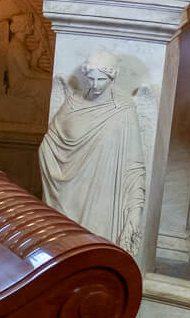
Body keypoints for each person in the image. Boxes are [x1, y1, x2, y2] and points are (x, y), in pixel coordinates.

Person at [39, 49, 148, 254]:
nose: (95, 85)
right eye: (90, 79)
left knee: (94, 250)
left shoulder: (124, 111)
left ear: (112, 76)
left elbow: (134, 165)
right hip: (68, 195)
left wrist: (135, 211)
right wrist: (55, 161)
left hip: (104, 198)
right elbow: (50, 143)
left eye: (101, 80)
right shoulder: (73, 103)